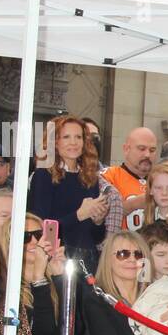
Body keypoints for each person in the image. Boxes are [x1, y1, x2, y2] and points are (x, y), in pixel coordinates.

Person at [28, 115, 107, 272]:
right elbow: (42, 229)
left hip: (88, 260)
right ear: (55, 142)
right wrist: (79, 215)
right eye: (66, 137)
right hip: (58, 260)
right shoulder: (43, 176)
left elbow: (96, 237)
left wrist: (98, 220)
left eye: (78, 137)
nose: (73, 142)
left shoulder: (90, 177)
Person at [101, 126, 158, 215]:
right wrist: (132, 205)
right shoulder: (108, 176)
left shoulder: (162, 180)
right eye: (142, 149)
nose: (147, 155)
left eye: (152, 150)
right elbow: (96, 216)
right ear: (126, 149)